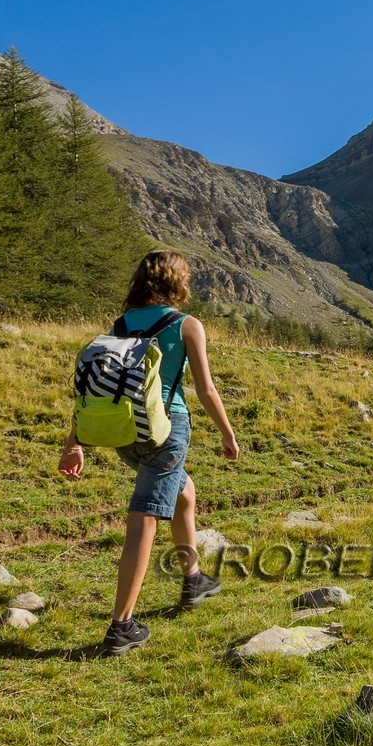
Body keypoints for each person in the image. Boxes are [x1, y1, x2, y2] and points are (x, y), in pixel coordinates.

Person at [57, 250, 240, 654]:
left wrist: (75, 442)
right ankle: (121, 626)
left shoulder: (121, 324)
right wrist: (227, 433)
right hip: (166, 431)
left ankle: (193, 580)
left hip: (126, 430)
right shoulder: (187, 325)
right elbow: (206, 390)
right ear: (179, 282)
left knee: (183, 494)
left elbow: (101, 387)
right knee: (145, 516)